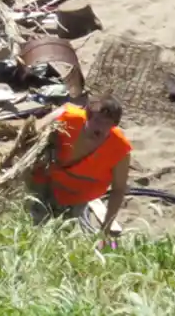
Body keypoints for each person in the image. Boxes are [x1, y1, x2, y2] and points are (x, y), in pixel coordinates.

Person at [29, 96, 132, 243]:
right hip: (44, 181)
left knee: (59, 237)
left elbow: (118, 189)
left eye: (107, 123)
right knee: (32, 225)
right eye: (97, 120)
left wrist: (105, 229)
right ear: (88, 117)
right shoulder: (67, 119)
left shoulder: (120, 149)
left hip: (76, 195)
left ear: (114, 126)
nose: (100, 127)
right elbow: (31, 134)